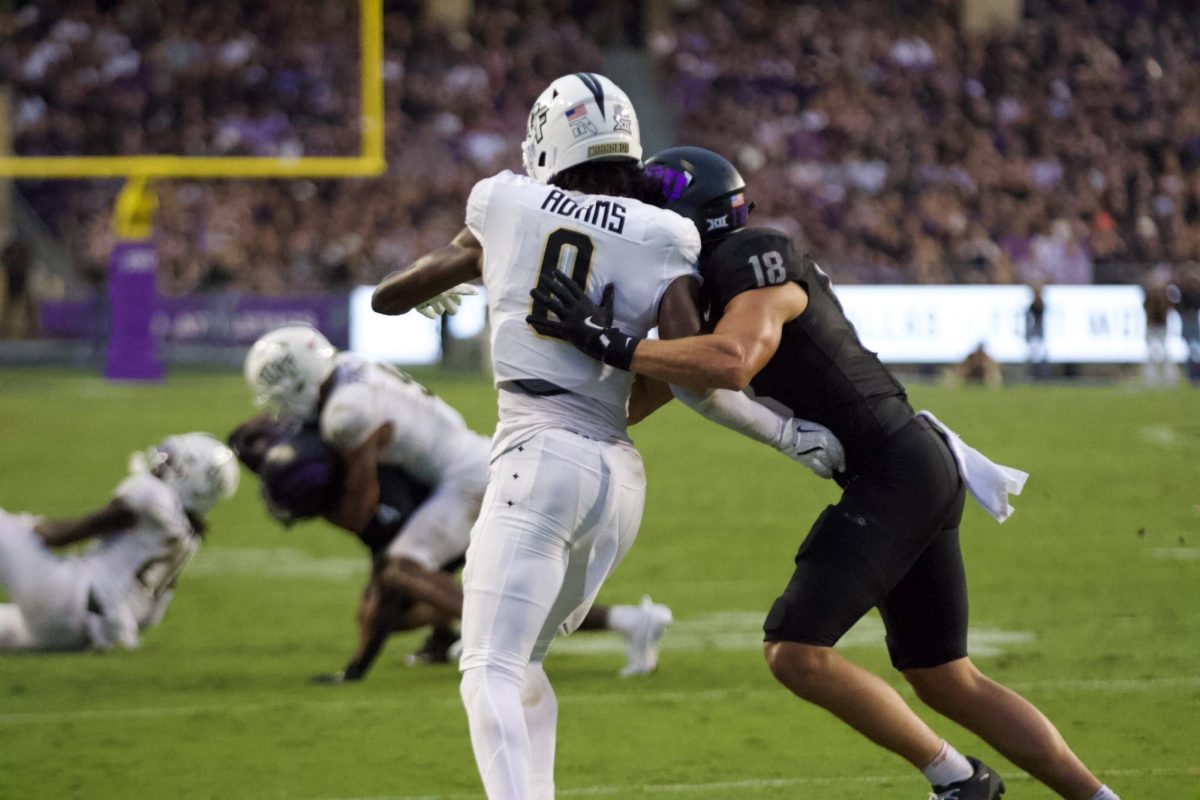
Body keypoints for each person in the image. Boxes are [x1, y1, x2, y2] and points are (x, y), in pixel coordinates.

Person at [531, 146, 1120, 800]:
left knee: (795, 650)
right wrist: (585, 350)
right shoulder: (710, 281)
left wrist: (608, 340)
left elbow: (729, 363)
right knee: (946, 678)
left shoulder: (751, 255)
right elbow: (655, 395)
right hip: (910, 465)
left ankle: (959, 781)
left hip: (894, 469)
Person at [370, 75, 842, 800]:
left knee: (487, 665)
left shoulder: (501, 200)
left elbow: (390, 296)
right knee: (522, 661)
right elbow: (697, 373)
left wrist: (455, 274)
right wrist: (787, 434)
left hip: (536, 453)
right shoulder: (665, 233)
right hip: (616, 478)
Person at [228, 414, 677, 681]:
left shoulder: (360, 495)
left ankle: (627, 621)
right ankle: (457, 637)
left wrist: (357, 667)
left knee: (424, 596)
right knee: (431, 590)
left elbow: (390, 577)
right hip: (476, 488)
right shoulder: (352, 465)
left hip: (481, 493)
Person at [0, 433, 239, 652]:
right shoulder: (188, 538)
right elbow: (149, 617)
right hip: (82, 636)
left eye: (170, 462)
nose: (160, 466)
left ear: (189, 475)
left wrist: (26, 527)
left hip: (67, 597)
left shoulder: (152, 496)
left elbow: (65, 536)